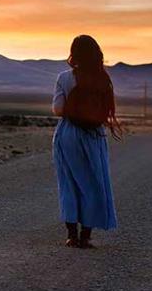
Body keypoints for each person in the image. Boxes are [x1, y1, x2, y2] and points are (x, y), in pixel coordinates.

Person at [51, 35, 121, 249]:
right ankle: (86, 236)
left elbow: (58, 110)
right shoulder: (103, 78)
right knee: (93, 183)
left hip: (68, 134)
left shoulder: (64, 78)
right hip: (93, 136)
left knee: (69, 182)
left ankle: (71, 235)